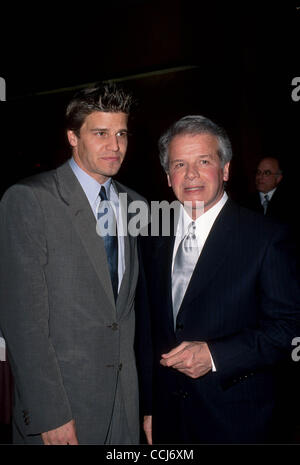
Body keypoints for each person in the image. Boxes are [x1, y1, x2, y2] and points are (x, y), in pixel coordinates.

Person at [135, 115, 300, 444]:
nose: (191, 174)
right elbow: (148, 331)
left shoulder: (267, 237)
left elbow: (288, 328)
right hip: (169, 420)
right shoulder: (152, 237)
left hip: (237, 422)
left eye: (204, 161)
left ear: (225, 170)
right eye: (180, 164)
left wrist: (215, 356)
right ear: (168, 177)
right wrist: (150, 407)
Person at [0, 83, 144, 445]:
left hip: (123, 406)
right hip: (64, 410)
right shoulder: (30, 200)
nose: (115, 145)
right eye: (100, 133)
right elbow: (22, 322)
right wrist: (49, 413)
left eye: (121, 133)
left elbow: (126, 314)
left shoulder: (135, 204)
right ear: (72, 137)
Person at [243, 157, 290, 221]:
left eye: (267, 173)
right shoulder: (245, 202)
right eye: (258, 172)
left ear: (278, 178)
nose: (260, 177)